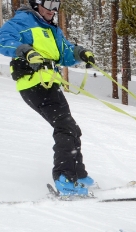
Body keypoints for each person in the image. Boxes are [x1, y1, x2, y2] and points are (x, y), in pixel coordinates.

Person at [0, 0, 96, 195]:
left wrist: (80, 52)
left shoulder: (51, 29)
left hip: (50, 84)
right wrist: (25, 51)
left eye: (56, 5)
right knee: (65, 127)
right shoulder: (24, 21)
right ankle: (64, 178)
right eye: (49, 4)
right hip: (33, 84)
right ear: (36, 4)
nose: (53, 10)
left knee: (71, 128)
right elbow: (3, 39)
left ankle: (78, 174)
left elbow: (65, 53)